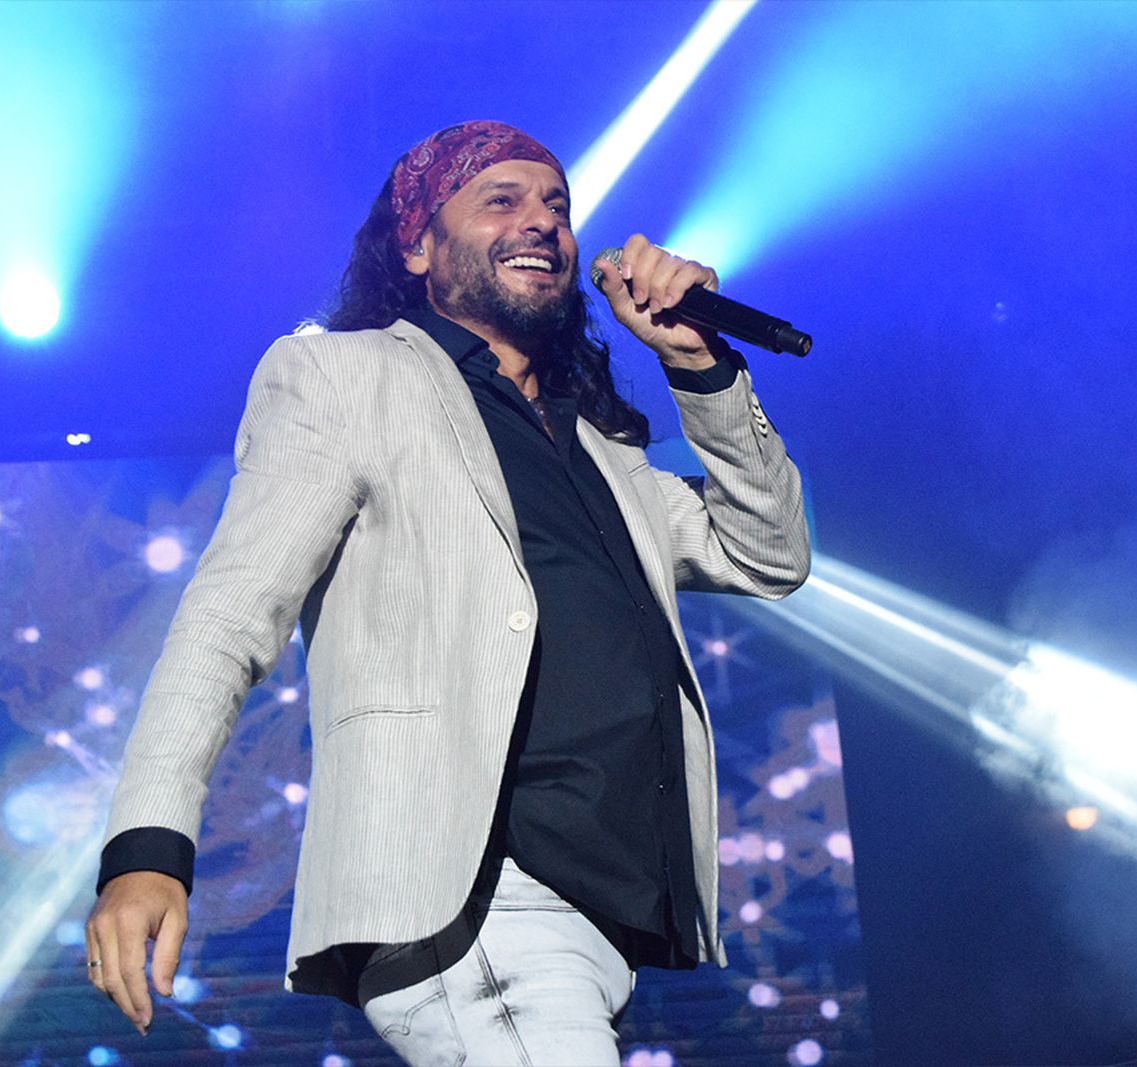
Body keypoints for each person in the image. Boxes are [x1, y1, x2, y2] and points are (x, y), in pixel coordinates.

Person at [85, 120, 809, 1065]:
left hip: (603, 917)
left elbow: (768, 552)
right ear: (418, 245)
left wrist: (697, 365)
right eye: (501, 200)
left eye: (557, 206)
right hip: (474, 894)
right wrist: (146, 847)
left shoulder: (599, 446)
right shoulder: (344, 376)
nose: (542, 222)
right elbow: (228, 617)